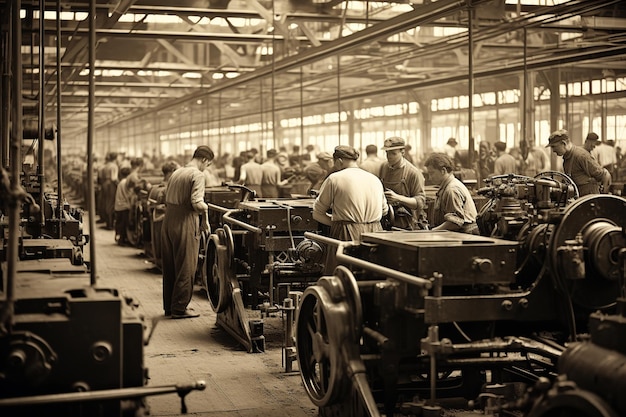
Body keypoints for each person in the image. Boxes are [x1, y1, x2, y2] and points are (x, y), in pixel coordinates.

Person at [161, 145, 214, 319]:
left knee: (170, 265)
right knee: (186, 265)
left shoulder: (177, 172)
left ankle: (169, 306)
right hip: (185, 220)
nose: (206, 168)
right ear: (204, 160)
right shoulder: (197, 175)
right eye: (208, 164)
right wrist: (206, 214)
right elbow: (197, 203)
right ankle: (179, 308)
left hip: (168, 221)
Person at [312, 145, 388, 243]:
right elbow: (384, 211)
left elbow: (317, 213)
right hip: (375, 233)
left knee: (345, 258)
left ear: (339, 161)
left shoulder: (334, 178)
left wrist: (338, 224)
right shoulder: (375, 179)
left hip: (346, 233)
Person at [423, 153, 479, 235]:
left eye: (432, 173)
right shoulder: (446, 187)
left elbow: (455, 223)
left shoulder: (451, 189)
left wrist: (432, 232)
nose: (430, 178)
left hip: (466, 235)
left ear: (443, 171)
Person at [379, 137, 427, 230]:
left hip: (406, 224)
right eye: (387, 153)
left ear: (403, 152)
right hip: (386, 220)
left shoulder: (413, 173)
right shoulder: (383, 167)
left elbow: (420, 203)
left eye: (393, 153)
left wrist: (398, 198)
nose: (389, 156)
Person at [545, 129, 611, 196]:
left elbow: (604, 175)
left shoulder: (581, 156)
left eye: (554, 146)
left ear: (563, 143)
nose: (553, 150)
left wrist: (603, 193)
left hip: (588, 198)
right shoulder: (567, 157)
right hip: (578, 196)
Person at [114, 167, 132, 246]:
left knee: (119, 223)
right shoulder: (125, 183)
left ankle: (119, 238)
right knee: (124, 224)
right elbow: (127, 195)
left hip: (118, 206)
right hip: (124, 206)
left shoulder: (121, 182)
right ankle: (122, 240)